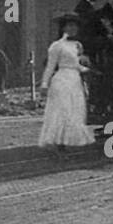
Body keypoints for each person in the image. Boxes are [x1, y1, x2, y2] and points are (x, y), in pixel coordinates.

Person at [38, 12, 96, 152]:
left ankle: (67, 140)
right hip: (62, 80)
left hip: (75, 81)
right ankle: (59, 143)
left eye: (75, 26)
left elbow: (76, 65)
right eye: (69, 26)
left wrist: (87, 69)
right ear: (63, 28)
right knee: (62, 110)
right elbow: (50, 67)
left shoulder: (77, 45)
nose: (72, 29)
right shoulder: (57, 45)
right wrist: (44, 84)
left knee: (74, 111)